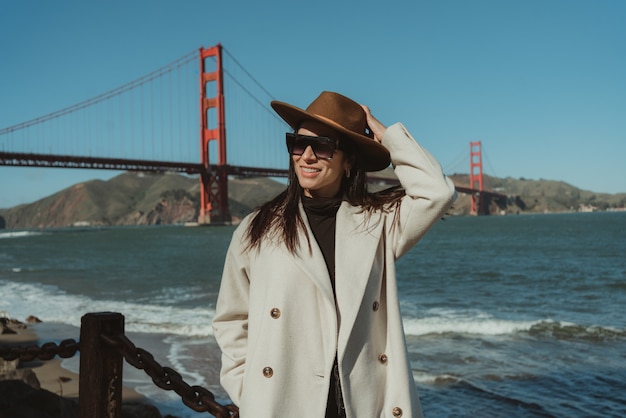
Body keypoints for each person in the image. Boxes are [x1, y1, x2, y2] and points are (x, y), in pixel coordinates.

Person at [212, 91, 456, 418]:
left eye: (323, 146)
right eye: (297, 144)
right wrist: (251, 390)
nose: (307, 156)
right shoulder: (256, 229)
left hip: (362, 405)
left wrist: (387, 136)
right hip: (283, 403)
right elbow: (231, 318)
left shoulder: (378, 224)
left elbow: (436, 192)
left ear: (349, 160)